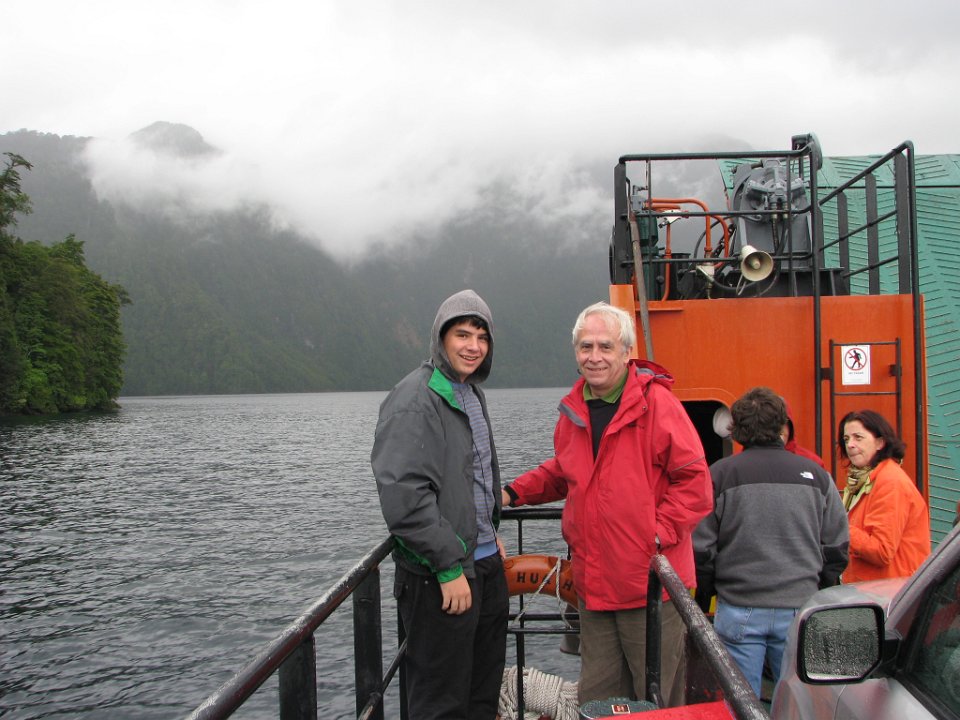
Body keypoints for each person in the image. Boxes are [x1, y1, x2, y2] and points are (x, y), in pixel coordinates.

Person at [501, 302, 712, 706]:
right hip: (595, 587)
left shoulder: (657, 404)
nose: (594, 356)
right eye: (586, 346)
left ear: (626, 352)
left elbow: (695, 483)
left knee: (654, 701)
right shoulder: (574, 410)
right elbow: (564, 470)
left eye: (605, 346)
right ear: (575, 352)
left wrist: (654, 536)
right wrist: (512, 492)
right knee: (599, 700)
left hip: (649, 587)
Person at [371, 289, 508, 720]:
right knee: (440, 703)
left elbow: (472, 476)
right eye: (462, 335)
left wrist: (489, 534)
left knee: (482, 693)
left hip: (484, 567)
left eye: (482, 337)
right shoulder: (415, 397)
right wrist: (448, 566)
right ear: (440, 338)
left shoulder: (470, 392)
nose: (473, 346)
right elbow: (405, 496)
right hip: (441, 579)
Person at [693, 387, 849, 698]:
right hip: (800, 606)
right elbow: (836, 545)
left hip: (739, 605)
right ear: (782, 426)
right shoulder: (817, 476)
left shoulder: (719, 475)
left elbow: (701, 548)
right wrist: (820, 587)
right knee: (798, 701)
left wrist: (706, 593)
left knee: (741, 700)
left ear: (736, 429)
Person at [838, 409, 931, 583]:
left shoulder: (890, 482)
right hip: (875, 588)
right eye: (846, 439)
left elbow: (881, 551)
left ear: (880, 443)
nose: (850, 444)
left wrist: (839, 526)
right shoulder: (865, 479)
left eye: (858, 437)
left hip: (889, 591)